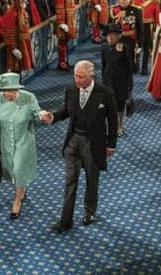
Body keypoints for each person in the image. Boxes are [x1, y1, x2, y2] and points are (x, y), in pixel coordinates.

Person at [41, 60, 118, 232]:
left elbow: (113, 121)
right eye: (75, 75)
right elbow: (66, 111)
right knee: (70, 181)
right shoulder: (71, 90)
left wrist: (111, 144)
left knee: (92, 180)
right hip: (73, 140)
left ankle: (89, 212)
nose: (77, 80)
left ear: (91, 76)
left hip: (93, 143)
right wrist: (52, 117)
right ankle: (65, 220)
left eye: (81, 77)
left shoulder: (105, 93)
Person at [0, 72, 45, 219]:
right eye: (3, 90)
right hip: (6, 142)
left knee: (18, 168)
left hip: (23, 141)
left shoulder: (29, 97)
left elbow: (36, 113)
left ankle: (17, 200)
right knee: (12, 171)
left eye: (8, 91)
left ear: (16, 89)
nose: (5, 94)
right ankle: (21, 188)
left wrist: (42, 115)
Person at [101, 24, 132, 136]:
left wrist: (130, 85)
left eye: (113, 35)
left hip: (121, 82)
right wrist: (103, 82)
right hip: (107, 82)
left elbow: (129, 68)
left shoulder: (124, 47)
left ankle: (119, 125)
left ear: (118, 36)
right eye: (108, 35)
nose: (110, 37)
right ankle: (108, 126)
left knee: (120, 106)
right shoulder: (103, 47)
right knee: (107, 106)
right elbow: (104, 66)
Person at [110, 0, 143, 73]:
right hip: (118, 39)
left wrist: (140, 44)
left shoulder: (136, 10)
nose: (123, 1)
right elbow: (109, 27)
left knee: (130, 64)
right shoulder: (113, 10)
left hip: (131, 39)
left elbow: (140, 28)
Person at [2, 0, 34, 73]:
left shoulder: (22, 10)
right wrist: (13, 48)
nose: (20, 0)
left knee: (20, 67)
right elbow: (8, 31)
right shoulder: (10, 13)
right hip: (16, 44)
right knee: (15, 67)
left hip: (23, 42)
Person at [55, 0, 77, 70]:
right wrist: (62, 23)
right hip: (64, 21)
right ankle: (62, 62)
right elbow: (59, 6)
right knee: (62, 42)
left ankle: (65, 61)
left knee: (66, 42)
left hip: (70, 18)